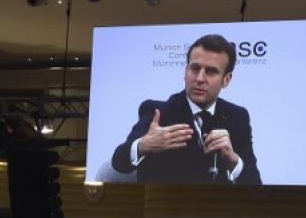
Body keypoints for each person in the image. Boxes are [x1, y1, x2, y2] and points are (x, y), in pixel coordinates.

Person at [108, 34, 261, 185]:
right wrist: (142, 146)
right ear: (185, 71)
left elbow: (255, 184)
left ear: (226, 80)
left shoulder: (237, 116)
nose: (200, 78)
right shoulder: (158, 112)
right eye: (195, 68)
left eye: (210, 71)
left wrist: (233, 161)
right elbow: (119, 162)